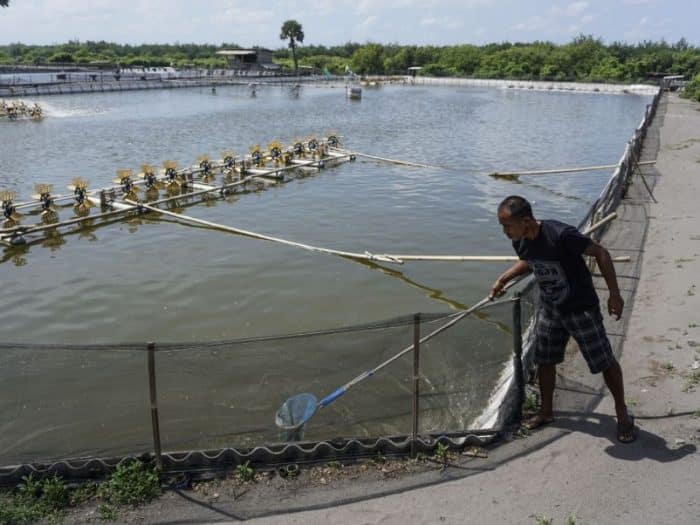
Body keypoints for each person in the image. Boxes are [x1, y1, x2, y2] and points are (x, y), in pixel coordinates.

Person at [490, 195, 636, 443]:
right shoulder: (521, 239)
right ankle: (546, 411)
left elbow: (600, 253)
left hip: (580, 308)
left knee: (604, 361)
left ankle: (622, 412)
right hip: (551, 307)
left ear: (526, 221)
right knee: (545, 360)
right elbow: (529, 260)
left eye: (508, 226)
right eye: (502, 227)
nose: (505, 232)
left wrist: (615, 295)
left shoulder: (560, 235)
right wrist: (504, 279)